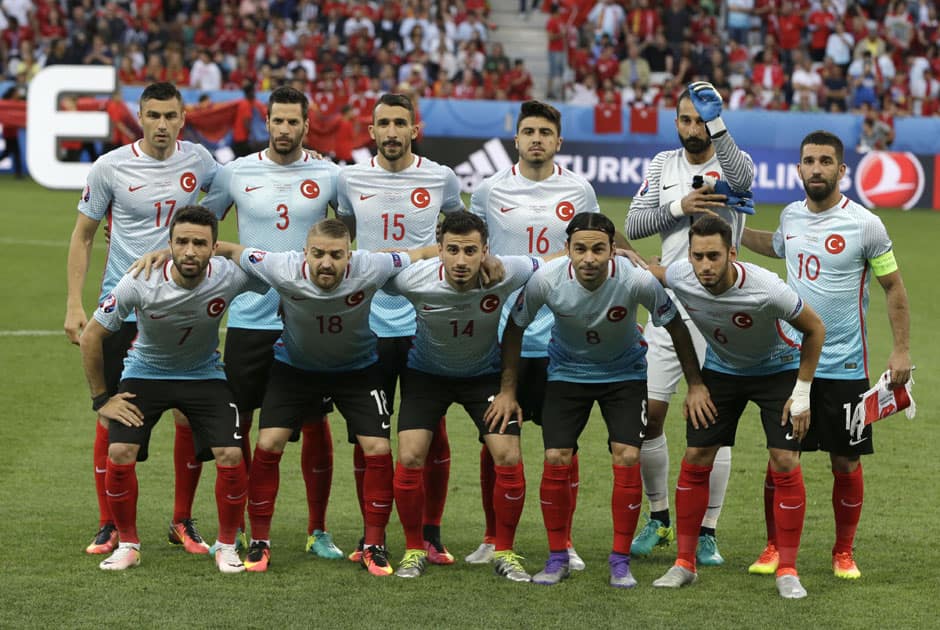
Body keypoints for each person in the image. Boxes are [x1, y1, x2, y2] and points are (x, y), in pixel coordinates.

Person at [486, 212, 713, 589]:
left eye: (598, 249)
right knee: (556, 458)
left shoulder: (636, 280)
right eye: (580, 249)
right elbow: (515, 326)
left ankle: (619, 561)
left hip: (623, 377)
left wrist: (695, 384)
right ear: (568, 251)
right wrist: (508, 390)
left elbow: (674, 323)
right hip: (565, 376)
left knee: (627, 456)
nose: (589, 258)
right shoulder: (547, 279)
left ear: (613, 250)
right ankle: (557, 556)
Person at [209, 219, 437, 576]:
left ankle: (373, 545)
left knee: (377, 448)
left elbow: (421, 254)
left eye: (336, 255)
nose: (326, 263)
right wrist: (164, 253)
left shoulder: (372, 266)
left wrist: (477, 259)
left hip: (357, 370)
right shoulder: (280, 266)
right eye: (318, 254)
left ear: (351, 254)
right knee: (268, 443)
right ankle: (261, 541)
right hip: (294, 370)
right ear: (305, 253)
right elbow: (232, 250)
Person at [742, 130, 912, 580]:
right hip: (791, 363)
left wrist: (900, 350)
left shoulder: (866, 224)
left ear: (841, 170)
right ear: (798, 169)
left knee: (846, 461)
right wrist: (735, 230)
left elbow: (893, 286)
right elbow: (776, 245)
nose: (816, 168)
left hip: (846, 365)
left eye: (825, 161)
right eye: (809, 161)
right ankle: (774, 545)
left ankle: (843, 551)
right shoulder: (791, 216)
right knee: (781, 457)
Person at [65, 82, 220, 557]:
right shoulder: (109, 166)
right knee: (112, 409)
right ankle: (108, 524)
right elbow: (83, 235)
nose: (160, 124)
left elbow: (239, 185)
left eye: (169, 116)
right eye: (152, 115)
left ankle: (181, 521)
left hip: (182, 307)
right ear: (139, 115)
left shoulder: (200, 162)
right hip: (122, 304)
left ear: (182, 117)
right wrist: (75, 303)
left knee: (187, 413)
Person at [199, 86, 346, 559]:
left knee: (316, 422)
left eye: (293, 122)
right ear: (267, 121)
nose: (284, 129)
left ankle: (318, 529)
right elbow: (203, 224)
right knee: (240, 424)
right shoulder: (236, 172)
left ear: (307, 124)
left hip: (308, 319)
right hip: (249, 318)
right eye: (277, 121)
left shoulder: (329, 174)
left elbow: (349, 233)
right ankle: (241, 524)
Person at [79, 206, 265, 573]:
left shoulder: (229, 275)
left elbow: (279, 271)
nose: (190, 251)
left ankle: (226, 545)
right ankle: (128, 543)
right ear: (169, 245)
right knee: (119, 450)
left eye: (200, 243)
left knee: (231, 454)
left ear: (214, 248)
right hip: (145, 374)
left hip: (204, 376)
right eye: (181, 242)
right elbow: (91, 336)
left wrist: (230, 250)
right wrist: (103, 398)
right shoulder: (140, 278)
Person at [648, 216, 825, 599]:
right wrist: (695, 384)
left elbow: (815, 328)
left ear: (732, 253)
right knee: (695, 454)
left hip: (776, 370)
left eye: (714, 256)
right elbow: (656, 273)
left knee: (785, 460)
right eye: (698, 256)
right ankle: (684, 563)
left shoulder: (766, 288)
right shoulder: (683, 274)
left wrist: (803, 392)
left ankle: (789, 570)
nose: (705, 266)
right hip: (722, 370)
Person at [468, 99, 610, 570]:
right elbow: (475, 255)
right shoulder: (489, 189)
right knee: (497, 444)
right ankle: (492, 535)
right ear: (516, 139)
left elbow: (593, 249)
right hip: (503, 335)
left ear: (558, 141)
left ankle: (563, 541)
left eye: (544, 133)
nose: (535, 139)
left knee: (562, 447)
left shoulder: (579, 190)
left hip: (561, 338)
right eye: (528, 131)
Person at [625, 80, 755, 566]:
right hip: (666, 305)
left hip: (720, 312)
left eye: (700, 119)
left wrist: (719, 124)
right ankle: (659, 519)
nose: (692, 128)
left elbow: (742, 181)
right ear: (675, 122)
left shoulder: (732, 159)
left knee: (711, 425)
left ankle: (706, 531)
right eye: (685, 119)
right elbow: (635, 225)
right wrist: (681, 207)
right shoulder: (662, 165)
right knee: (648, 418)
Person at [336, 93, 465, 565]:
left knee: (430, 430)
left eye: (400, 124)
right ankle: (371, 534)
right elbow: (341, 232)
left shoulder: (441, 178)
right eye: (383, 124)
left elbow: (460, 229)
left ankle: (430, 532)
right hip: (366, 322)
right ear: (371, 131)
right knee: (365, 432)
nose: (392, 132)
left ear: (415, 129)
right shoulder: (349, 178)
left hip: (424, 321)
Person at [385, 212, 548, 582]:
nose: (461, 261)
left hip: (484, 377)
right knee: (410, 455)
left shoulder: (507, 271)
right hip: (426, 375)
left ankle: (504, 551)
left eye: (471, 251)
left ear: (486, 251)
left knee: (507, 454)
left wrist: (619, 249)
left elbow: (556, 259)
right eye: (453, 250)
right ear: (439, 251)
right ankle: (414, 549)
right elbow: (369, 266)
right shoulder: (414, 279)